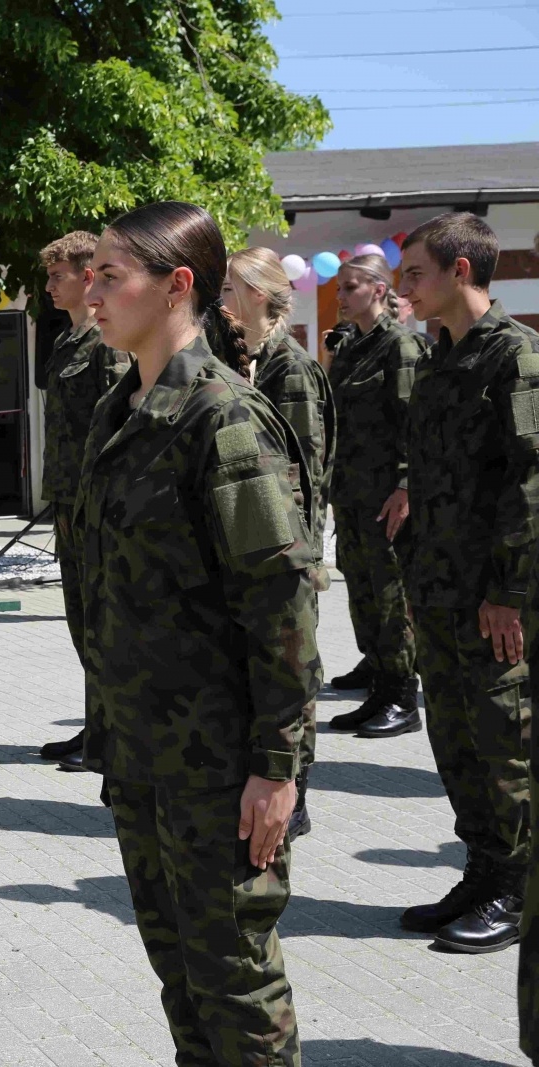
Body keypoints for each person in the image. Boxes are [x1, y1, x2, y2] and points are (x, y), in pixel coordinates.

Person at [81, 201, 319, 1063]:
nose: (90, 294)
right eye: (91, 275)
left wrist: (278, 766)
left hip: (218, 767)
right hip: (143, 752)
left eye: (111, 276)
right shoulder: (121, 410)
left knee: (236, 984)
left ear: (177, 284)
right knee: (182, 979)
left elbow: (282, 606)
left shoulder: (224, 419)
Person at [395, 212, 539, 954]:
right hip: (440, 589)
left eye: (415, 273)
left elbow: (531, 483)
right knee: (455, 739)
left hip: (493, 599)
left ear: (460, 271)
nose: (404, 288)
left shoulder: (514, 356)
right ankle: (484, 871)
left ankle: (518, 887)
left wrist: (510, 593)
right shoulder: (439, 358)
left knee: (502, 743)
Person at [225, 246, 336, 841]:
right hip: (254, 548)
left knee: (294, 667)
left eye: (229, 290)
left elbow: (302, 475)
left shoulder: (289, 369)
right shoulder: (242, 361)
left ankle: (297, 791)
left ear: (262, 297)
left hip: (286, 551)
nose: (220, 301)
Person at [34, 231, 132, 770]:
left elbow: (116, 428)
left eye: (58, 276)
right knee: (81, 621)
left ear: (88, 276)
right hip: (68, 503)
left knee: (102, 622)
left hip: (94, 506)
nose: (50, 286)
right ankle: (97, 726)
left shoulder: (106, 344)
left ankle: (113, 736)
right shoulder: (66, 342)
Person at [323, 253, 426, 737]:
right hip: (352, 493)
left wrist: (405, 486)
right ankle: (379, 684)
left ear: (379, 290)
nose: (340, 297)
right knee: (362, 591)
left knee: (389, 596)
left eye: (350, 288)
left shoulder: (399, 346)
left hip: (386, 496)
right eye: (339, 289)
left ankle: (402, 696)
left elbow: (413, 423)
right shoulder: (350, 347)